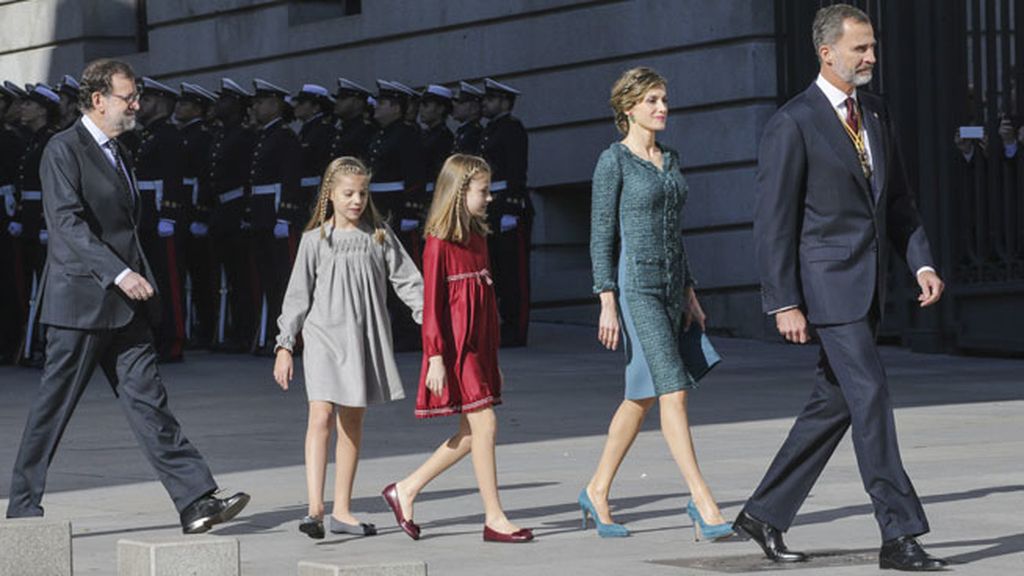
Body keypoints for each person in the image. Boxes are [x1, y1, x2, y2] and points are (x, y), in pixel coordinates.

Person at [734, 5, 948, 572]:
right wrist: (783, 301)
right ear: (827, 52)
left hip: (869, 286)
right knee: (871, 395)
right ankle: (899, 535)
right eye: (861, 48)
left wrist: (921, 263)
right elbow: (774, 221)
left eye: (872, 47)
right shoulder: (793, 122)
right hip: (827, 289)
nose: (872, 57)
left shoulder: (876, 113)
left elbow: (898, 201)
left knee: (834, 406)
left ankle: (763, 512)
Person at [4, 58, 249, 533]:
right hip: (80, 303)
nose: (136, 104)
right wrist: (118, 273)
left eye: (136, 96)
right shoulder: (63, 149)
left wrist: (134, 279)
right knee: (52, 410)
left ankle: (196, 499)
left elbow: (125, 228)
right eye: (128, 97)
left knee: (149, 403)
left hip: (126, 304)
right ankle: (23, 507)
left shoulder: (119, 151)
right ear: (98, 100)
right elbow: (67, 225)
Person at [586, 67, 730, 541]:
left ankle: (597, 490)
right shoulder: (614, 162)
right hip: (636, 288)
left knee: (640, 396)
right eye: (651, 100)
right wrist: (606, 300)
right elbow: (601, 235)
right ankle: (702, 500)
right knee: (674, 390)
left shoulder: (671, 158)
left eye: (664, 99)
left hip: (671, 288)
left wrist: (689, 290)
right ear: (628, 108)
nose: (662, 108)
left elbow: (675, 232)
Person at [380, 154, 534, 544]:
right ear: (460, 192)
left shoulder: (479, 237)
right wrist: (434, 356)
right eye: (483, 190)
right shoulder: (437, 244)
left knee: (471, 433)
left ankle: (406, 489)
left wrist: (494, 359)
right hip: (454, 350)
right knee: (486, 425)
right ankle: (495, 517)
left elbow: (485, 305)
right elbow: (431, 306)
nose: (490, 197)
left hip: (479, 349)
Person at [273, 157, 423, 539]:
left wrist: (430, 319)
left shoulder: (379, 236)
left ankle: (342, 509)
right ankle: (314, 510)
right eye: (348, 193)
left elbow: (409, 281)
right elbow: (296, 297)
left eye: (362, 193)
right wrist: (285, 345)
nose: (356, 200)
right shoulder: (314, 241)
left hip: (362, 340)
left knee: (351, 422)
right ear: (331, 195)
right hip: (324, 338)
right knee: (320, 416)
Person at [132, 77, 189, 362]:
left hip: (160, 217)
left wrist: (168, 214)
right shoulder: (148, 135)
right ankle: (158, 335)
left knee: (169, 281)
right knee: (152, 280)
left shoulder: (168, 135)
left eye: (148, 99)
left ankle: (174, 339)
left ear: (163, 103)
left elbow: (173, 178)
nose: (140, 104)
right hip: (146, 216)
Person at [247, 78, 304, 355]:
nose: (255, 107)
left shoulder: (285, 137)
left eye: (261, 102)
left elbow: (290, 179)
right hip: (262, 214)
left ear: (276, 104)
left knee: (285, 279)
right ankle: (272, 332)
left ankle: (294, 336)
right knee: (268, 278)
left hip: (276, 214)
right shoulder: (265, 136)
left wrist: (285, 215)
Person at [479, 78, 531, 347]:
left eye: (490, 99)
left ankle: (516, 328)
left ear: (504, 102)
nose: (484, 103)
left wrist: (511, 206)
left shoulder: (512, 128)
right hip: (492, 205)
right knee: (497, 268)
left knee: (514, 273)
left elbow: (516, 170)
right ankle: (503, 323)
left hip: (507, 206)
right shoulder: (491, 129)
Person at [176, 82, 217, 349]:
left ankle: (207, 326)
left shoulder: (203, 136)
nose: (179, 107)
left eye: (185, 104)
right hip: (184, 211)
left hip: (195, 211)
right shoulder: (183, 135)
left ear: (198, 108)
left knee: (203, 277)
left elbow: (206, 178)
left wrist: (200, 214)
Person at [452, 81, 484, 155]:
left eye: (460, 103)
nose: (455, 106)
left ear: (474, 108)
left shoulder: (475, 132)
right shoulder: (463, 130)